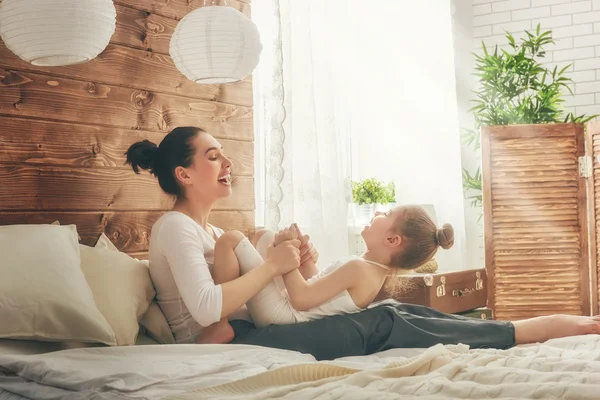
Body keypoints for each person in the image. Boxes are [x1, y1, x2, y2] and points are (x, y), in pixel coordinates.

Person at [126, 126, 600, 361]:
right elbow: (212, 309)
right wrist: (276, 266)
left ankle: (527, 329)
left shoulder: (211, 232)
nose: (227, 160)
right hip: (228, 337)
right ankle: (511, 334)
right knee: (387, 319)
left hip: (248, 328)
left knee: (403, 315)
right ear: (183, 174)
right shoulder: (175, 228)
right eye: (213, 157)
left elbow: (245, 298)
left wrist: (295, 264)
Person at [196, 206, 455, 344]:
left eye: (386, 214)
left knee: (231, 239)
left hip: (283, 316)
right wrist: (305, 259)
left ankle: (220, 325)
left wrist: (285, 257)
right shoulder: (369, 269)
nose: (377, 212)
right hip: (290, 311)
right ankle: (232, 310)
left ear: (392, 239)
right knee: (263, 235)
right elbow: (322, 292)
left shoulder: (360, 269)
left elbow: (301, 299)